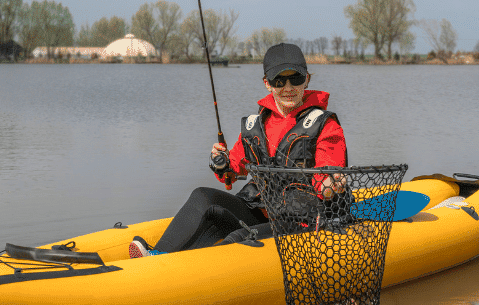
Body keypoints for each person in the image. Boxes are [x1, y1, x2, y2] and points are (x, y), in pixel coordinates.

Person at [129, 43, 348, 258]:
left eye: (296, 78)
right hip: (260, 213)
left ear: (307, 79)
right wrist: (220, 162)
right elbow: (232, 171)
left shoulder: (325, 125)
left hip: (301, 222)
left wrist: (328, 185)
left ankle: (190, 272)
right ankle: (158, 255)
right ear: (267, 83)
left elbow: (327, 170)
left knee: (239, 237)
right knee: (203, 196)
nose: (288, 88)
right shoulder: (256, 125)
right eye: (279, 80)